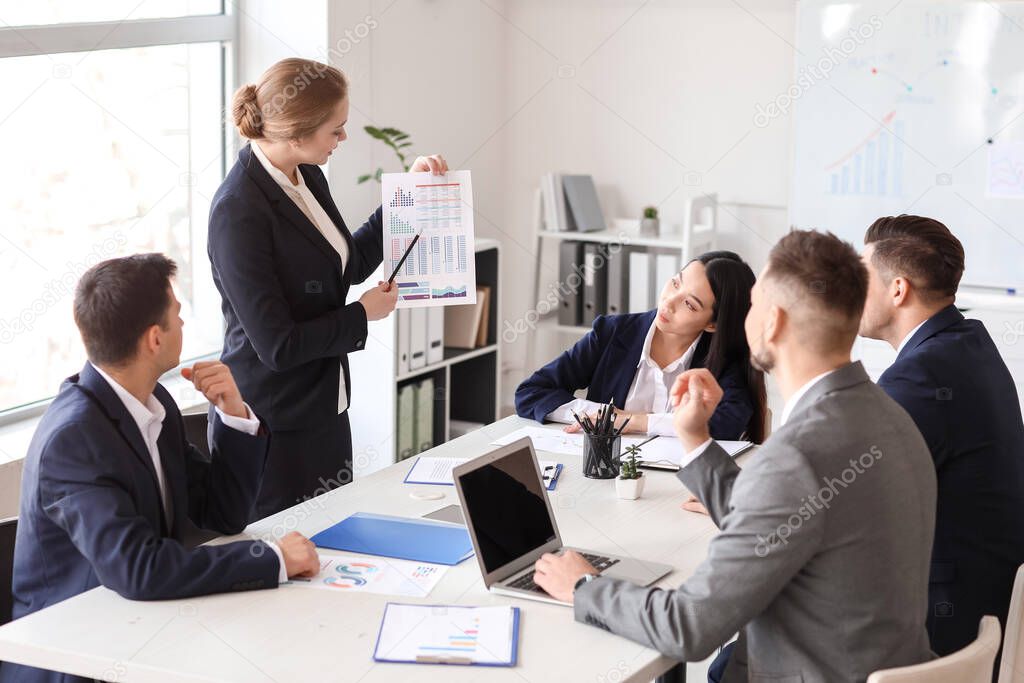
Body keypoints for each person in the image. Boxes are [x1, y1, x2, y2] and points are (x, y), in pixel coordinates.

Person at [532, 230, 937, 682]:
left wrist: (585, 588)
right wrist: (695, 439)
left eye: (753, 300)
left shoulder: (797, 457)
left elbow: (689, 628)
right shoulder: (890, 414)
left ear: (773, 322)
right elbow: (782, 521)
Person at [2, 255, 320, 683]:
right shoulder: (73, 440)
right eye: (178, 315)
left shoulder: (153, 404)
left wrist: (233, 413)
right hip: (78, 661)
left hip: (147, 631)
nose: (184, 325)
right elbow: (138, 568)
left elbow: (222, 514)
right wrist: (273, 559)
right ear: (155, 339)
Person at [209, 58, 448, 519]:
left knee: (336, 546)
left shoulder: (306, 174)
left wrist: (406, 195)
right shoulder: (238, 212)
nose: (343, 139)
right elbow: (277, 345)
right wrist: (361, 316)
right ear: (297, 133)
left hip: (326, 405)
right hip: (275, 422)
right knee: (289, 566)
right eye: (335, 131)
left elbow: (349, 261)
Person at [859, 214, 1024, 656]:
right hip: (987, 602)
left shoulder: (922, 375)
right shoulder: (967, 340)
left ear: (898, 289)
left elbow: (844, 493)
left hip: (944, 621)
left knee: (752, 649)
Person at [515, 251, 767, 442]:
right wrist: (605, 416)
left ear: (712, 324)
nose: (668, 303)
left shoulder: (722, 360)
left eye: (689, 304)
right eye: (675, 284)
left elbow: (726, 425)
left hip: (676, 486)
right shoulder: (612, 332)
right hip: (608, 478)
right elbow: (531, 393)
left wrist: (637, 422)